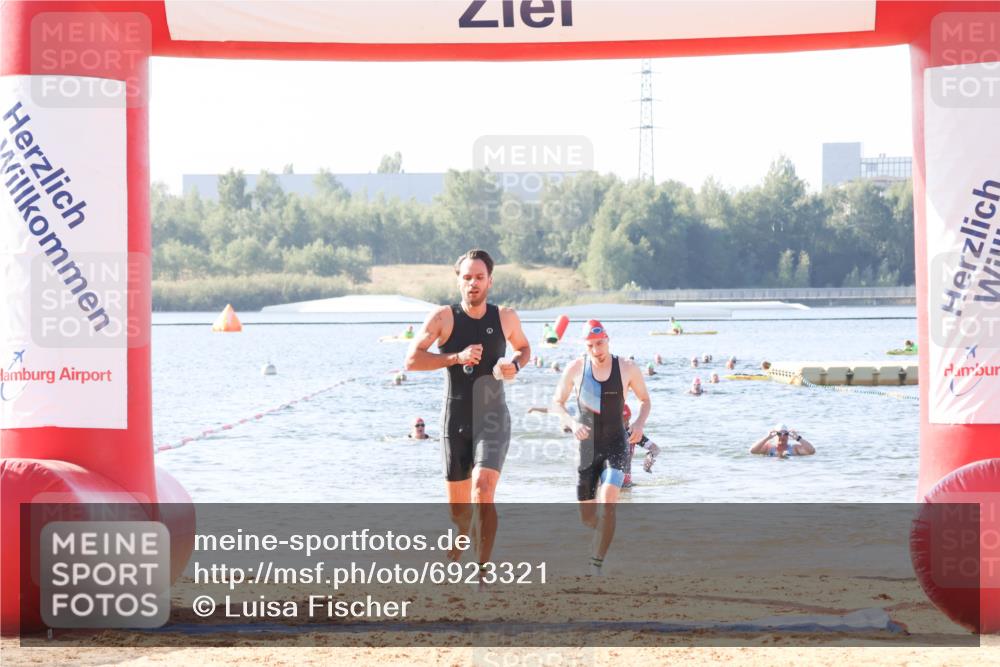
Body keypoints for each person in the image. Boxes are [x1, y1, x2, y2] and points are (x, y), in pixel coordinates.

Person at [404, 249, 531, 573]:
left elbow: (524, 348)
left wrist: (515, 365)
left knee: (483, 489)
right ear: (458, 280)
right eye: (467, 277)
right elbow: (412, 361)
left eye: (479, 277)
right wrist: (456, 357)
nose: (473, 283)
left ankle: (482, 573)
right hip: (456, 420)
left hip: (493, 418)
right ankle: (462, 533)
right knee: (459, 513)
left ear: (489, 280)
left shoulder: (506, 317)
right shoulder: (443, 318)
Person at [551, 320, 652, 576]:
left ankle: (596, 563)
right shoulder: (575, 368)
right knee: (587, 518)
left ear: (608, 340)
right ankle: (603, 535)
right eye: (591, 345)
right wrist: (572, 424)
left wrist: (639, 423)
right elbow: (557, 403)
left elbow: (644, 400)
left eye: (601, 343)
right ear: (585, 346)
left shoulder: (627, 368)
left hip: (616, 444)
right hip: (587, 449)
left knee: (608, 503)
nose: (597, 350)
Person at [621, 404, 660, 489]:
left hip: (625, 481)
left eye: (627, 420)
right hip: (607, 480)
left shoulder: (632, 433)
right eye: (623, 421)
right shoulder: (605, 433)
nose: (626, 424)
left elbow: (655, 449)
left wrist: (649, 456)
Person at [749, 424, 816, 458]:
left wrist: (798, 438)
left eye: (786, 434)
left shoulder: (794, 448)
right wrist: (767, 438)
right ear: (775, 435)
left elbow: (811, 451)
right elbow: (752, 451)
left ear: (788, 436)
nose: (782, 436)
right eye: (779, 434)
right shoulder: (768, 447)